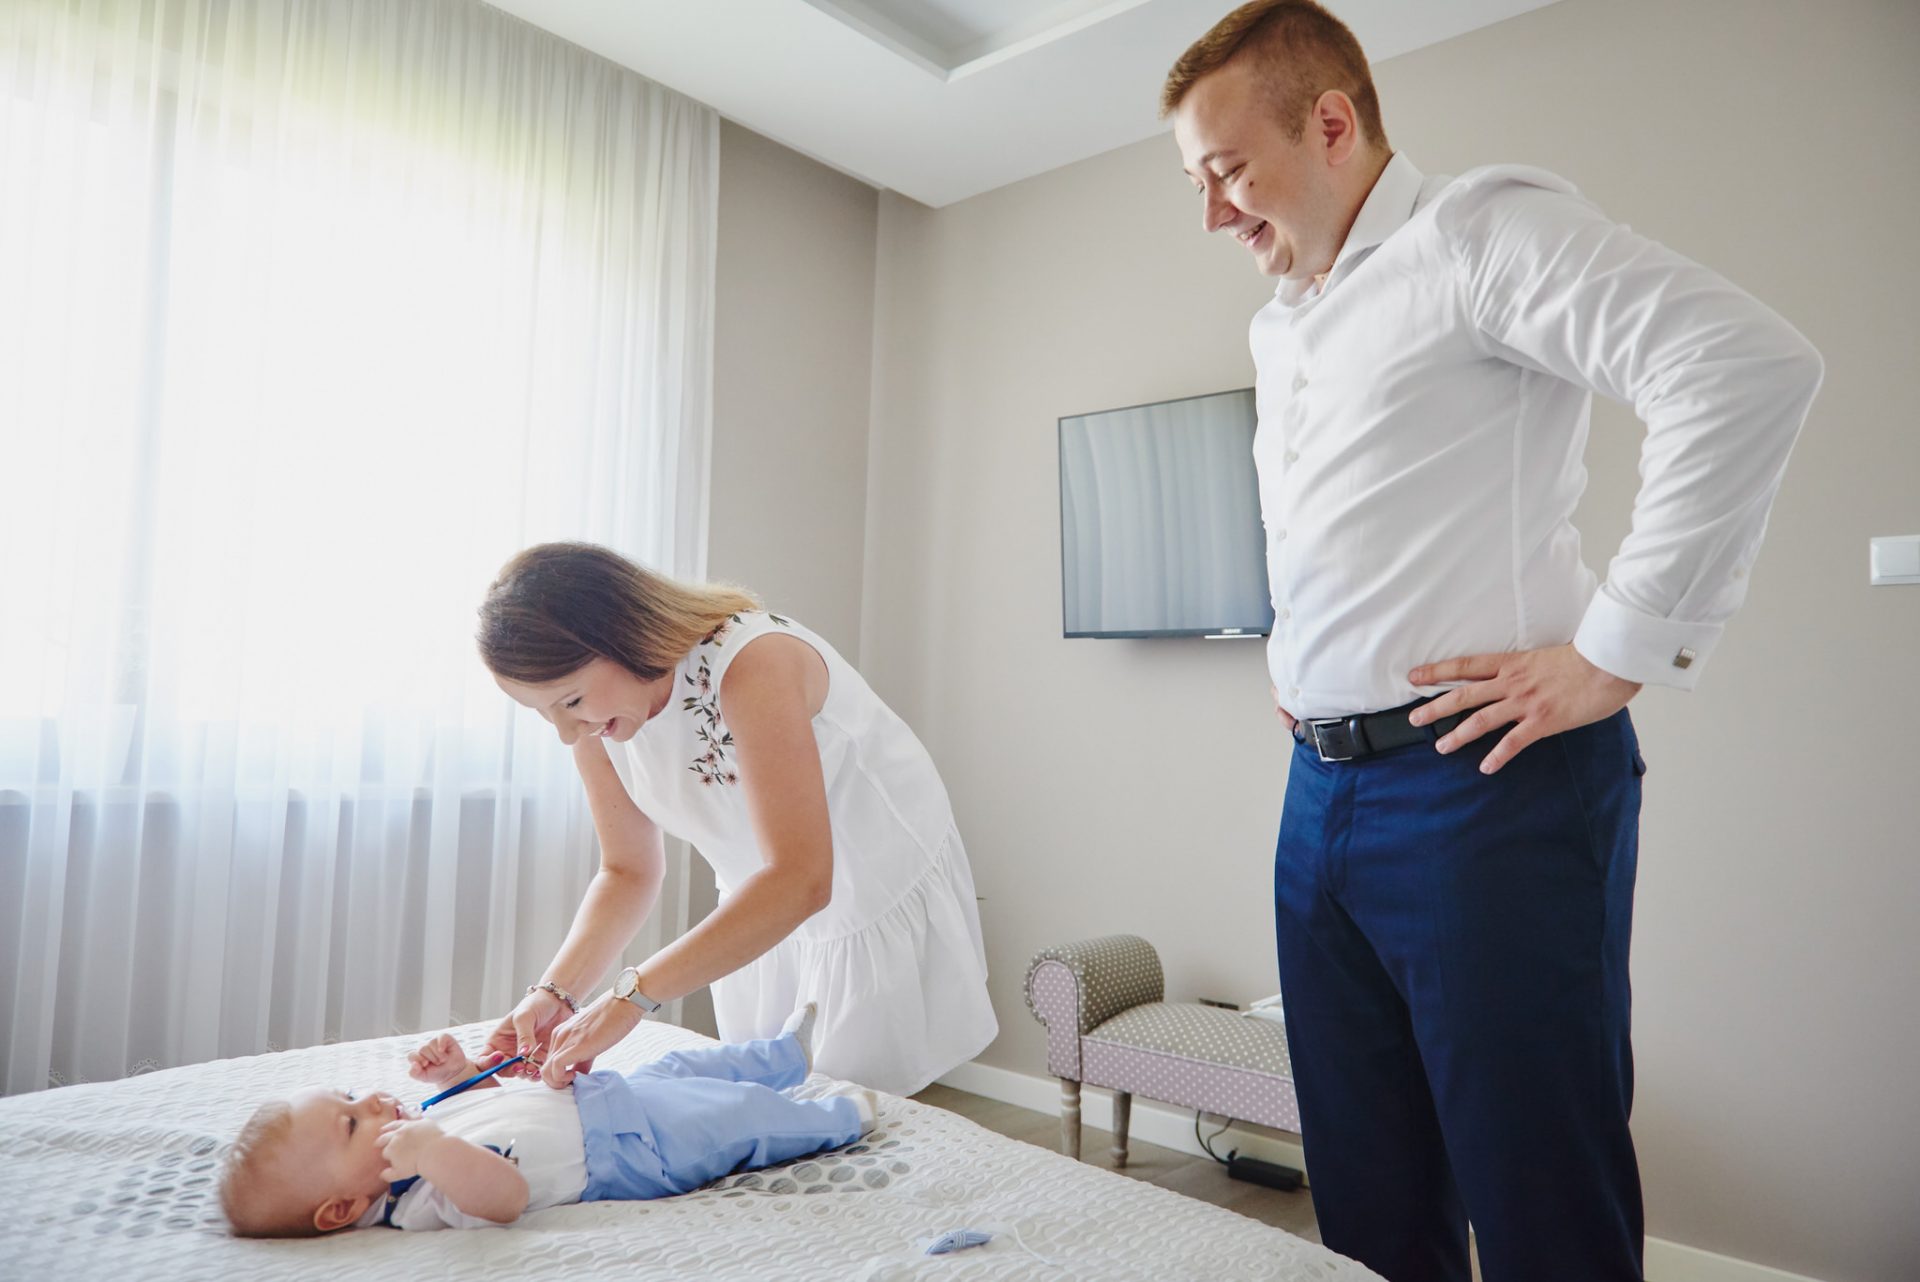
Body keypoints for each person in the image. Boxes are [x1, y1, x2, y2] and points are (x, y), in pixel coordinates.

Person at [1161, 4, 1822, 1280]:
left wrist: (1615, 649)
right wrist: (1302, 663)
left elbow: (1741, 363)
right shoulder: (1282, 324)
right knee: (1366, 1192)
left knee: (1538, 1197)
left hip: (1486, 789)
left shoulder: (1474, 235)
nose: (1212, 213)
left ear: (1333, 123)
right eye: (1196, 182)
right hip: (1318, 800)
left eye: (1228, 170)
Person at [474, 542, 996, 1098]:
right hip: (760, 905)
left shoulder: (754, 662)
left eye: (571, 701)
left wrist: (630, 998)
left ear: (619, 636)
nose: (565, 732)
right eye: (544, 712)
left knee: (854, 1107)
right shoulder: (600, 724)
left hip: (864, 889)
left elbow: (801, 879)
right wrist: (556, 994)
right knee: (774, 1104)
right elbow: (627, 870)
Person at [218, 1003, 874, 1235]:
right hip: (633, 1148)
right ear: (340, 1208)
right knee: (733, 1117)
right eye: (350, 1125)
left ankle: (784, 1056)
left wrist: (456, 1072)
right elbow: (505, 1194)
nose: (366, 1102)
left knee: (688, 1066)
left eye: (347, 1095)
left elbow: (493, 1105)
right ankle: (839, 1116)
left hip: (600, 1098)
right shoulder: (417, 1198)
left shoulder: (417, 1126)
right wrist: (431, 1152)